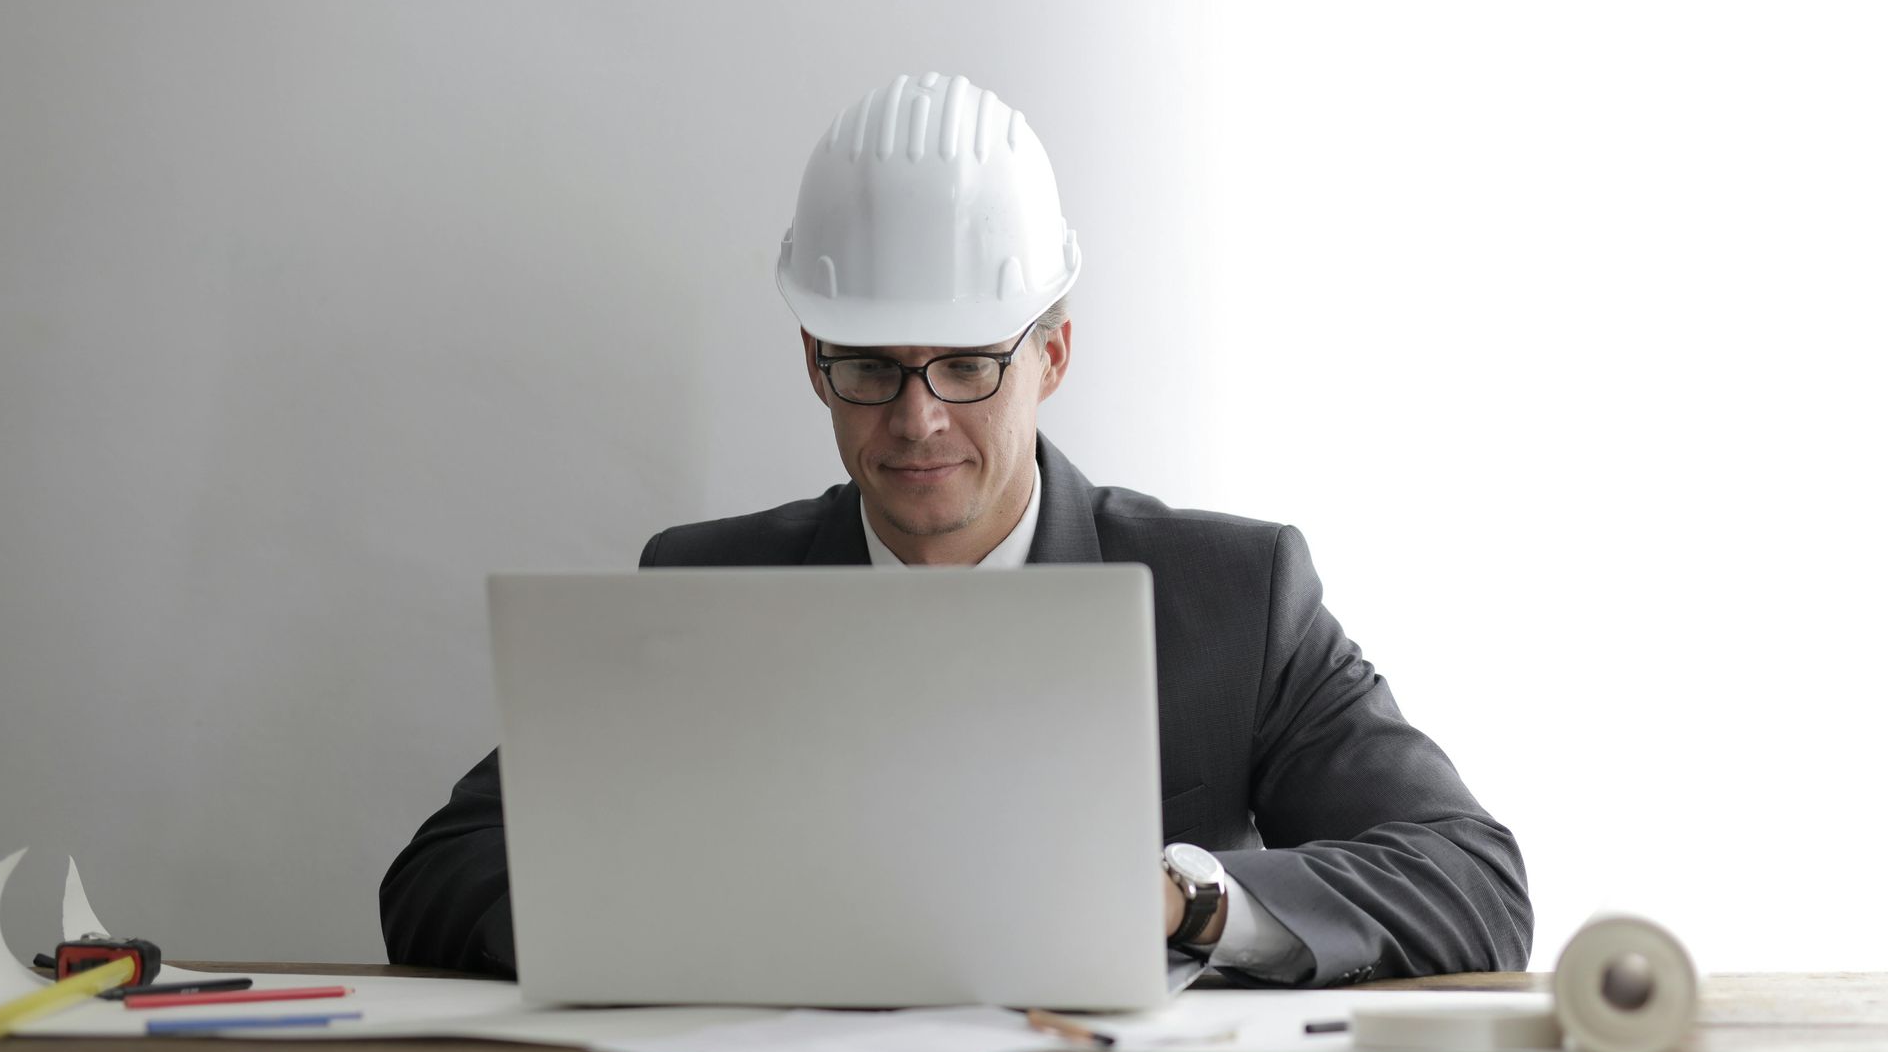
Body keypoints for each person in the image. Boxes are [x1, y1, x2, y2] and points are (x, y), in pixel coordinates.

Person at [381, 72, 1532, 985]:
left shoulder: (1235, 595)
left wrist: (1181, 901)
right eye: (872, 368)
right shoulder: (703, 585)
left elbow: (1471, 877)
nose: (919, 417)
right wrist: (682, 915)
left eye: (970, 363)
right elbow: (442, 874)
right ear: (814, 365)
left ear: (1052, 356)